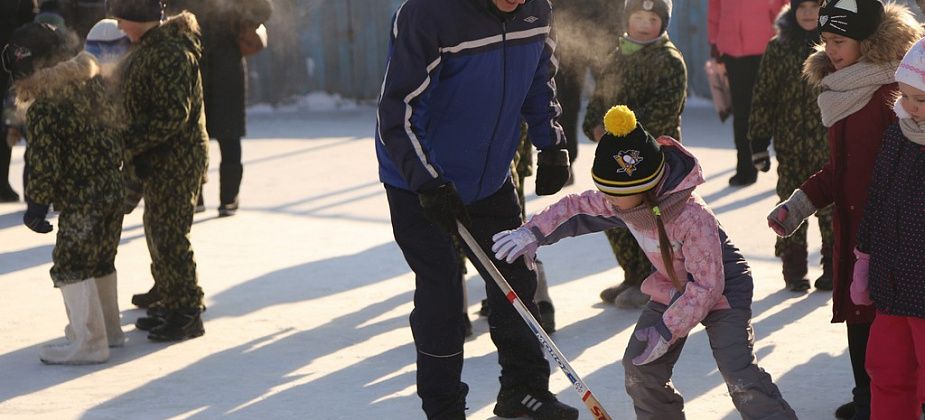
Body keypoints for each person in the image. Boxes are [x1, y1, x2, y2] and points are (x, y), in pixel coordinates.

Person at [493, 105, 796, 420]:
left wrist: (665, 331)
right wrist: (533, 232)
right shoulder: (625, 199)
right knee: (640, 368)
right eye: (604, 190)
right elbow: (577, 207)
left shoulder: (692, 216)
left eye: (613, 193)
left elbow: (707, 285)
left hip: (723, 288)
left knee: (738, 373)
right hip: (673, 286)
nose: (607, 200)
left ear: (642, 188)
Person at [375, 0, 577, 418]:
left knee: (516, 277)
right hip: (420, 182)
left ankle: (524, 390)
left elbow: (540, 76)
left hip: (490, 177)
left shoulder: (535, 8)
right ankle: (445, 408)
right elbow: (399, 112)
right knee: (443, 295)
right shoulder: (427, 14)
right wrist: (430, 182)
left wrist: (551, 142)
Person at [766, 1, 921, 418]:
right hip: (853, 227)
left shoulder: (896, 93)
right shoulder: (841, 89)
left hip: (895, 234)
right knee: (857, 316)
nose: (830, 49)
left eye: (840, 41)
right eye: (826, 40)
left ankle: (894, 399)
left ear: (867, 43)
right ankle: (865, 396)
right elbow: (841, 168)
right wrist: (799, 204)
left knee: (889, 322)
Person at [3, 22, 124, 364]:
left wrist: (37, 205)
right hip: (111, 186)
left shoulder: (44, 107)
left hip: (84, 196)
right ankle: (109, 331)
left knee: (71, 263)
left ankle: (90, 342)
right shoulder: (93, 83)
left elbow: (44, 161)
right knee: (100, 259)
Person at [111, 0, 209, 342]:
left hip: (176, 159)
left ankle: (186, 312)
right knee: (157, 228)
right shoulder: (151, 47)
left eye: (122, 18)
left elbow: (171, 115)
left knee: (169, 234)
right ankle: (169, 296)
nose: (119, 25)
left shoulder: (168, 52)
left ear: (138, 18)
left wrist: (125, 139)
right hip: (160, 158)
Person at [582, 0, 687, 308]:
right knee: (617, 218)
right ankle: (634, 276)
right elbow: (598, 99)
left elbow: (664, 111)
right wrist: (595, 127)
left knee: (651, 222)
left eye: (651, 18)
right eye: (638, 17)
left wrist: (621, 132)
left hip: (653, 160)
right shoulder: (617, 55)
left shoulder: (669, 60)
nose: (643, 24)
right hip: (616, 161)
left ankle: (657, 281)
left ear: (662, 24)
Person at [852, 37, 925, 420]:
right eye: (906, 95)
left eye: (922, 100)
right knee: (886, 371)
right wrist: (865, 258)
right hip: (893, 283)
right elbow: (877, 197)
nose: (910, 108)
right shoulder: (899, 132)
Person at [748, 0, 834, 292]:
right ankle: (794, 267)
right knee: (789, 201)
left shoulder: (835, 46)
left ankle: (834, 265)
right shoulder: (778, 47)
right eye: (802, 7)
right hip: (790, 145)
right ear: (792, 10)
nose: (809, 13)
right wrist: (758, 141)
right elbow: (763, 94)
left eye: (815, 6)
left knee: (831, 204)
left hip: (827, 143)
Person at [169, 0, 272, 217]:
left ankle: (214, 198)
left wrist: (244, 22)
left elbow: (264, 9)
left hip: (213, 66)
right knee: (204, 135)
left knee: (212, 135)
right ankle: (214, 198)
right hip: (204, 66)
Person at [708, 0, 787, 186]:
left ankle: (788, 169)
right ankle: (745, 169)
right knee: (742, 113)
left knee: (778, 110)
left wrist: (787, 34)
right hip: (734, 49)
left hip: (770, 47)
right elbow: (715, 9)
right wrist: (713, 41)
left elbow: (788, 6)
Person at [551, 0, 623, 182]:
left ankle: (622, 160)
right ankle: (565, 161)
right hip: (567, 28)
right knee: (565, 101)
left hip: (606, 29)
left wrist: (617, 26)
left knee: (614, 98)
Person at [0, 0, 35, 203]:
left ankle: (3, 184)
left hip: (9, 59)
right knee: (7, 120)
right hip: (10, 59)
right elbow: (27, 20)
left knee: (7, 121)